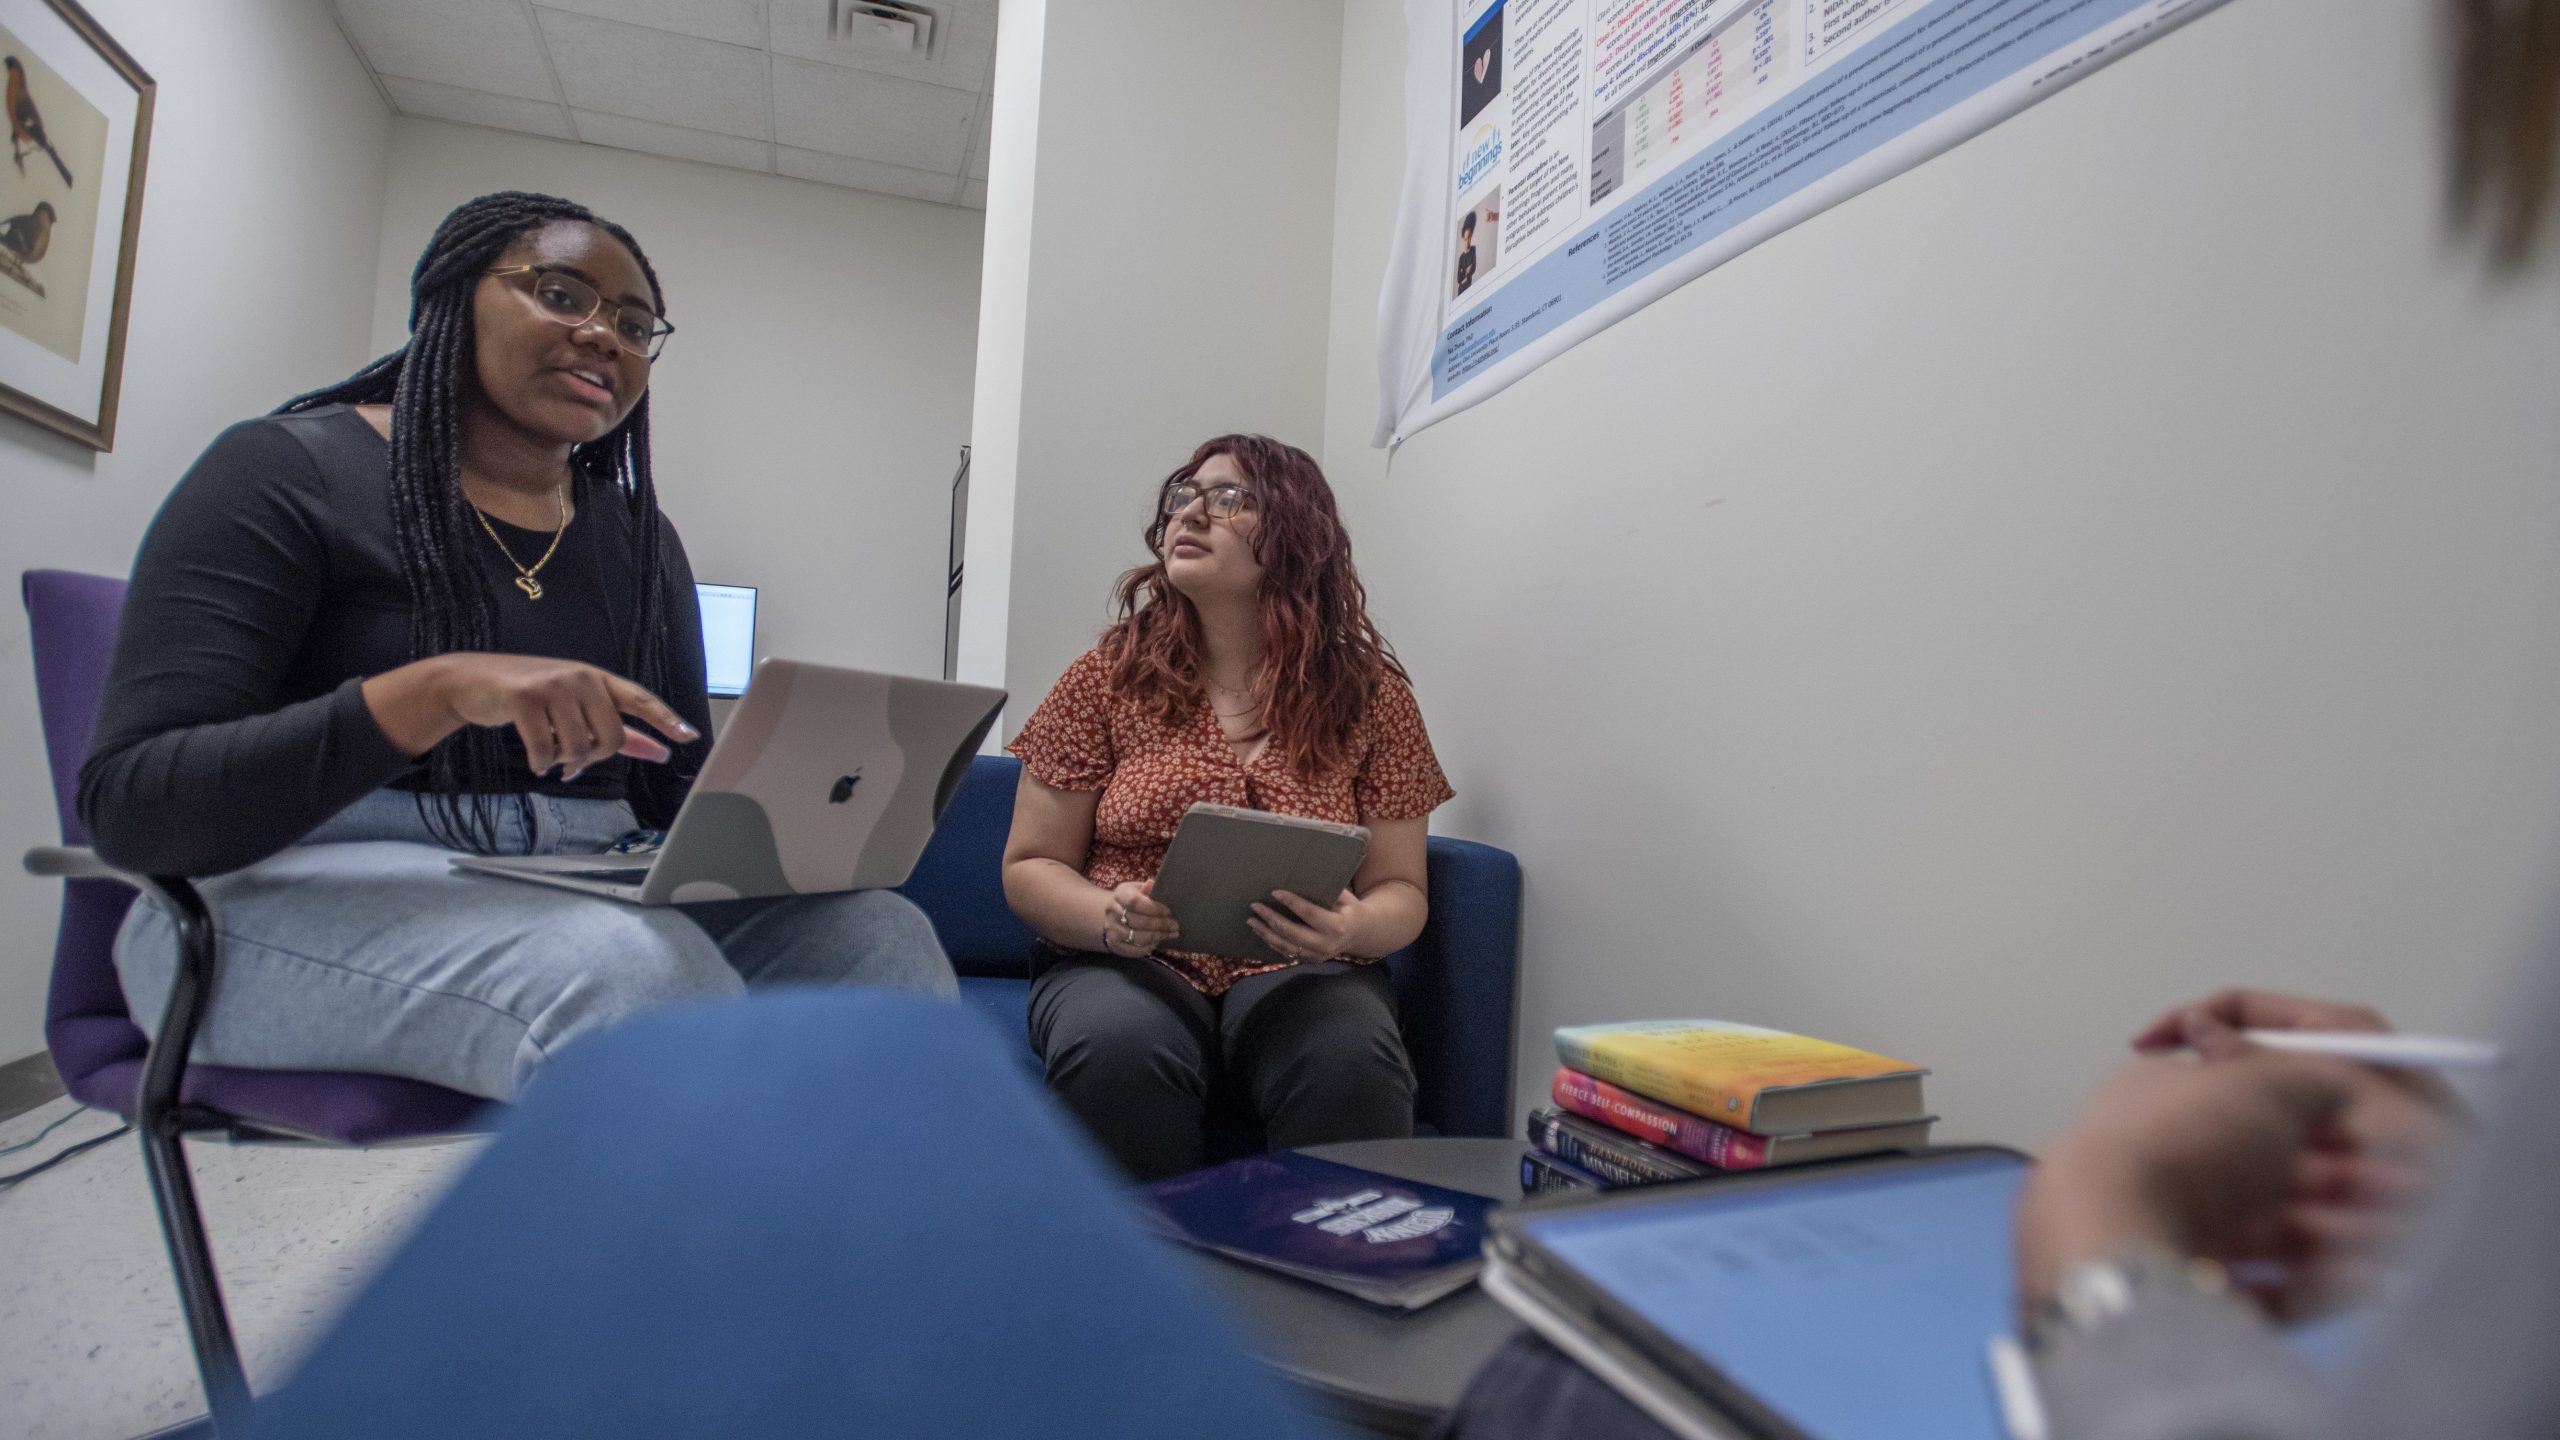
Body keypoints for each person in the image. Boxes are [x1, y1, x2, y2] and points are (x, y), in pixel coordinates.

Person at [79, 190, 955, 1103]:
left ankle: (850, 1244)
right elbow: (136, 808)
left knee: (879, 938)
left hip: (583, 881)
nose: (603, 336)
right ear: (449, 302)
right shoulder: (282, 471)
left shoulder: (637, 539)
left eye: (633, 323)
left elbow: (671, 793)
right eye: (562, 294)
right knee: (634, 973)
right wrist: (433, 693)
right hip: (272, 899)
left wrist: (796, 810)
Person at [999, 435, 1454, 1181]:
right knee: (1117, 1049)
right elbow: (1030, 866)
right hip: (1120, 963)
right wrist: (1107, 917)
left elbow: (1402, 891)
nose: (1191, 513)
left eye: (1229, 498)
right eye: (1184, 494)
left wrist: (1353, 928)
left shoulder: (1370, 695)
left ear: (1293, 535)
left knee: (1350, 1058)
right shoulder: (1106, 675)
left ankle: (1330, 1285)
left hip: (1304, 969)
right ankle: (1147, 1291)